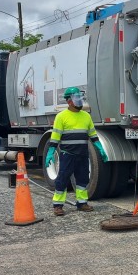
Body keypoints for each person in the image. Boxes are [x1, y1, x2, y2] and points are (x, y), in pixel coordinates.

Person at [45, 87, 108, 216]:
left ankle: (82, 203)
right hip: (67, 154)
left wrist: (100, 149)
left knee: (82, 179)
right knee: (62, 179)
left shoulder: (86, 116)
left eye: (80, 98)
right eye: (76, 98)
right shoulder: (61, 117)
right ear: (69, 101)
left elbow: (93, 135)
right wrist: (51, 152)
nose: (80, 101)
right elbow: (55, 137)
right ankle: (58, 205)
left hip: (83, 155)